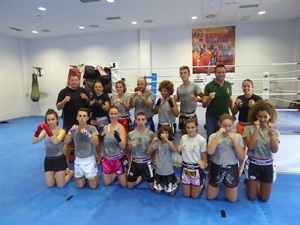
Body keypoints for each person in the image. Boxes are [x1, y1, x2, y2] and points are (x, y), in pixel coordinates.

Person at [243, 100, 279, 202]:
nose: (262, 119)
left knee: (264, 199)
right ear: (255, 116)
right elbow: (250, 147)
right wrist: (256, 129)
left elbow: (274, 150)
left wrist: (271, 134)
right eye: (259, 116)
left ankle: (257, 184)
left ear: (270, 116)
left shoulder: (275, 131)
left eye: (265, 117)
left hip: (267, 165)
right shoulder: (249, 129)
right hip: (253, 164)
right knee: (251, 197)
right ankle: (251, 183)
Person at [206, 114, 245, 202]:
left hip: (231, 168)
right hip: (216, 167)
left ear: (233, 125)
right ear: (220, 125)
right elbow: (210, 152)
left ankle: (226, 186)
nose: (227, 128)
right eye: (224, 126)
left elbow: (242, 156)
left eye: (229, 126)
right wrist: (218, 134)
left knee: (232, 199)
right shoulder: (213, 136)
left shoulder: (238, 137)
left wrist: (234, 140)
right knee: (210, 197)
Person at [32, 109, 74, 188]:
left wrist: (47, 130)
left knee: (60, 185)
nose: (50, 122)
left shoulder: (62, 131)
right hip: (48, 160)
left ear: (57, 119)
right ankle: (61, 173)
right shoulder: (45, 132)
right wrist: (38, 131)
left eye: (53, 119)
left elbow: (56, 142)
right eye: (48, 120)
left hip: (59, 159)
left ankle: (70, 172)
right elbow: (34, 141)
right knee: (50, 184)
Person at [56, 73, 90, 164]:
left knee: (84, 138)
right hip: (69, 120)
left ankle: (85, 158)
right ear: (69, 81)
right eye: (72, 80)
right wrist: (64, 100)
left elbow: (90, 104)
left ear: (79, 81)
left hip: (82, 121)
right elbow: (58, 107)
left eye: (76, 80)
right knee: (67, 141)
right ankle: (65, 162)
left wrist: (86, 98)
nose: (74, 82)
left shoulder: (83, 90)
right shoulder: (63, 92)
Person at [232, 79, 262, 175]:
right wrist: (236, 104)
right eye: (244, 86)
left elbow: (262, 114)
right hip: (241, 126)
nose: (246, 88)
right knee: (241, 149)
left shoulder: (258, 99)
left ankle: (252, 170)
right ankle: (240, 168)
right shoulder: (240, 98)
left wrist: (254, 106)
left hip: (252, 127)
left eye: (248, 86)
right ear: (242, 87)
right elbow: (233, 112)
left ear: (252, 87)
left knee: (253, 148)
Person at [64, 108, 99, 189]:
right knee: (80, 186)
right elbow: (66, 141)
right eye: (80, 116)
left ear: (87, 118)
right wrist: (70, 132)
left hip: (89, 160)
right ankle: (86, 176)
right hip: (78, 160)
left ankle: (94, 174)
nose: (82, 118)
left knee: (93, 187)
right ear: (77, 117)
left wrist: (88, 134)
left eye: (84, 116)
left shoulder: (91, 128)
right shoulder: (74, 129)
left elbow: (96, 142)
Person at [202, 64, 234, 142]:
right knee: (211, 139)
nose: (221, 74)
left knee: (225, 138)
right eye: (219, 72)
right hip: (212, 118)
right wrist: (209, 98)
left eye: (223, 72)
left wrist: (233, 114)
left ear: (226, 73)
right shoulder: (209, 86)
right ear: (215, 73)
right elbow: (204, 105)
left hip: (225, 118)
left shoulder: (228, 85)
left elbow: (230, 100)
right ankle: (210, 154)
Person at [177, 118, 207, 199]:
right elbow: (181, 153)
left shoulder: (201, 140)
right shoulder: (183, 138)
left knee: (194, 196)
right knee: (186, 195)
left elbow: (204, 157)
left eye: (192, 127)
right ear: (185, 128)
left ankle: (202, 181)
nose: (190, 130)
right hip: (185, 168)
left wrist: (203, 164)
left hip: (196, 168)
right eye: (188, 128)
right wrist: (179, 150)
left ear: (197, 127)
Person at [99, 106, 128, 187]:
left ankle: (121, 170)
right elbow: (104, 144)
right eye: (111, 114)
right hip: (107, 159)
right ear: (108, 114)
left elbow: (123, 146)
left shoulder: (121, 128)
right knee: (106, 183)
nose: (113, 116)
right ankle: (115, 173)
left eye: (115, 114)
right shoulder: (105, 128)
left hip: (118, 159)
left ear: (118, 115)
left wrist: (118, 138)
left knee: (124, 184)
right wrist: (101, 139)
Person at [126, 112, 156, 190]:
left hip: (147, 162)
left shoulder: (151, 134)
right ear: (135, 121)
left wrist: (153, 161)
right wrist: (130, 146)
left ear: (146, 120)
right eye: (138, 120)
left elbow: (154, 150)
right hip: (135, 162)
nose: (141, 122)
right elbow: (127, 151)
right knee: (129, 186)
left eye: (143, 119)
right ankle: (142, 176)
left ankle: (145, 175)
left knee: (152, 187)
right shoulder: (130, 134)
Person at [147, 126, 179, 195]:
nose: (164, 135)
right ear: (160, 134)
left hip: (168, 172)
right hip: (159, 172)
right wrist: (152, 143)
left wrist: (167, 140)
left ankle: (176, 181)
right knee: (157, 191)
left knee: (171, 193)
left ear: (169, 134)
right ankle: (166, 184)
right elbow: (149, 152)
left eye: (166, 133)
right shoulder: (157, 143)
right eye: (163, 133)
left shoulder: (169, 143)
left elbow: (174, 150)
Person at [174, 66, 203, 135]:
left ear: (189, 74)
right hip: (182, 115)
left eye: (185, 73)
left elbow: (204, 99)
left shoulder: (195, 86)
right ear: (180, 75)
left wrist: (196, 99)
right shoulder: (179, 88)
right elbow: (179, 100)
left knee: (193, 136)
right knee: (184, 137)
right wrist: (176, 99)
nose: (183, 75)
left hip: (191, 115)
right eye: (181, 73)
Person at [89, 80, 110, 164]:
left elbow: (107, 108)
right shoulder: (92, 97)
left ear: (102, 88)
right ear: (94, 88)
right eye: (96, 87)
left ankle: (106, 156)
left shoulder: (105, 96)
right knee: (96, 139)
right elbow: (90, 111)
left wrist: (97, 103)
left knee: (104, 138)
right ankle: (98, 157)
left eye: (99, 87)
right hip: (94, 120)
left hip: (103, 120)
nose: (97, 88)